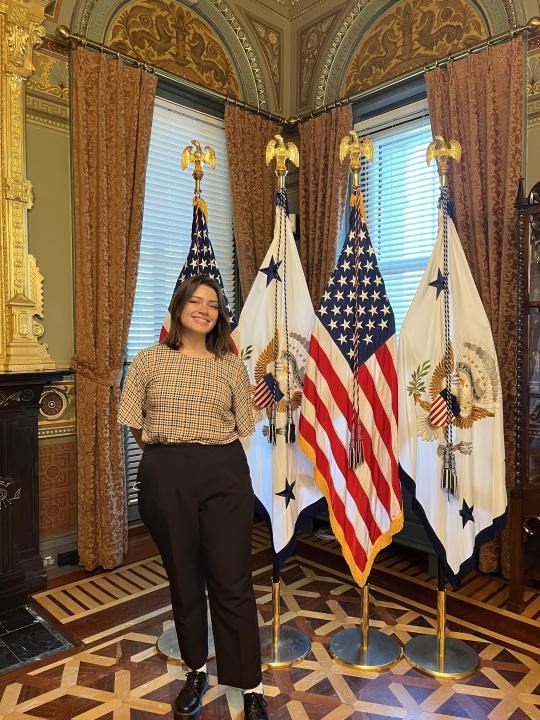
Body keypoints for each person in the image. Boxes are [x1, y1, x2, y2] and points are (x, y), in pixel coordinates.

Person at [118, 275, 268, 720]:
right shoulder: (148, 360)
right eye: (196, 301)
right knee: (184, 581)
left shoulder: (230, 365)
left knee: (233, 582)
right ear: (179, 306)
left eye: (213, 304)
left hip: (224, 473)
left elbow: (245, 424)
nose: (205, 309)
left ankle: (252, 687)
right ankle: (196, 672)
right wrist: (172, 457)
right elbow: (134, 422)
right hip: (165, 474)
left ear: (219, 315)